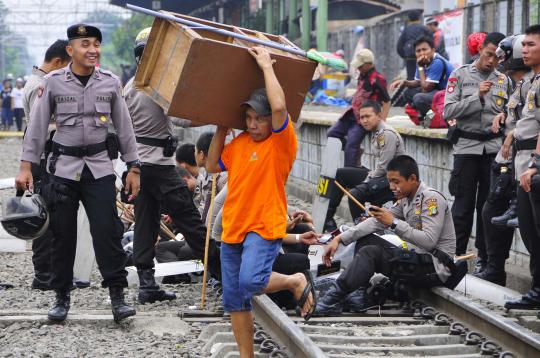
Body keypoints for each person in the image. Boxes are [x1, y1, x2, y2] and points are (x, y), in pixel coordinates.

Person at [15, 24, 138, 323]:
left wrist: (134, 167)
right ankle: (61, 296)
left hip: (99, 168)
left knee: (107, 232)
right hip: (63, 170)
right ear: (70, 50)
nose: (92, 49)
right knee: (62, 234)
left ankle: (117, 296)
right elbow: (37, 126)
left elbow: (125, 127)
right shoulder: (54, 82)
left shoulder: (110, 82)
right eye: (85, 44)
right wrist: (25, 165)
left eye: (96, 43)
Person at [206, 46, 315, 357]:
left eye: (259, 119)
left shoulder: (281, 142)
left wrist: (267, 66)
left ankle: (295, 281)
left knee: (251, 281)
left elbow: (280, 108)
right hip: (233, 228)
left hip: (264, 225)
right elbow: (212, 165)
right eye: (249, 118)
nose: (253, 124)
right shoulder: (239, 143)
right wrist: (221, 128)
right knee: (235, 299)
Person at [124, 36, 221, 304]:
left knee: (145, 223)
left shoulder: (130, 86)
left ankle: (147, 285)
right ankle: (223, 271)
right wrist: (216, 113)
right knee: (190, 221)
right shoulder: (157, 86)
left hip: (139, 168)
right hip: (160, 167)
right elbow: (182, 118)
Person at [316, 155, 457, 315]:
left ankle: (331, 300)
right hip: (417, 260)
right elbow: (377, 222)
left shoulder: (431, 199)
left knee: (371, 253)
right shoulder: (406, 199)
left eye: (396, 181)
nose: (391, 186)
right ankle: (359, 295)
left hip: (434, 267)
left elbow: (429, 241)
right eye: (390, 181)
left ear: (412, 178)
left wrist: (394, 223)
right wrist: (340, 238)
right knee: (365, 239)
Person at [443, 32, 510, 274]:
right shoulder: (460, 75)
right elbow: (448, 111)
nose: (491, 61)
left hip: (493, 150)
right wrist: (476, 97)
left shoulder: (504, 80)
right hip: (467, 148)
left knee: (487, 207)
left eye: (497, 57)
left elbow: (511, 116)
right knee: (462, 206)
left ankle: (484, 259)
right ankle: (456, 256)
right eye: (488, 54)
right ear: (480, 49)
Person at [477, 35, 532, 286]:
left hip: (522, 159)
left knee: (523, 220)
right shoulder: (521, 84)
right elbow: (517, 112)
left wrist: (511, 132)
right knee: (492, 211)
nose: (500, 61)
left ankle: (497, 269)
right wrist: (503, 116)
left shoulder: (531, 84)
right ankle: (493, 267)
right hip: (508, 158)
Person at [22, 39, 71, 291]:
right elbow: (38, 127)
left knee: (51, 213)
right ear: (58, 62)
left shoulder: (36, 81)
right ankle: (43, 274)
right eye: (66, 68)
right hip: (42, 158)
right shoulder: (41, 85)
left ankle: (49, 271)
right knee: (45, 215)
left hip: (44, 157)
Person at [504, 25, 540, 310]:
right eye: (523, 44)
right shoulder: (533, 80)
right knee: (529, 232)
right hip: (523, 163)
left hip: (534, 166)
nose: (523, 50)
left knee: (536, 232)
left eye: (530, 44)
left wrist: (536, 164)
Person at [326, 101, 404, 230]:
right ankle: (328, 221)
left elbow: (385, 167)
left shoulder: (386, 134)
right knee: (340, 174)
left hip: (392, 179)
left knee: (354, 194)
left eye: (368, 116)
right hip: (381, 175)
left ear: (379, 116)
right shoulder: (377, 132)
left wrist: (366, 181)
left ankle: (362, 229)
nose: (364, 121)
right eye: (362, 117)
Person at [327, 48, 391, 167]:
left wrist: (382, 121)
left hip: (363, 119)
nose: (358, 68)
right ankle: (355, 151)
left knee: (351, 146)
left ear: (369, 64)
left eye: (361, 66)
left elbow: (386, 101)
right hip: (352, 113)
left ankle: (349, 177)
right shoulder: (362, 75)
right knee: (331, 133)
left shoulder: (378, 79)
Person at [390, 36, 454, 121]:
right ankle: (426, 116)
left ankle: (434, 118)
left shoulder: (437, 62)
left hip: (448, 95)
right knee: (408, 93)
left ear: (433, 50)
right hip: (436, 92)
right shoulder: (421, 61)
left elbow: (426, 88)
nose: (421, 53)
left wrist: (420, 67)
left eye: (424, 49)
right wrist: (404, 82)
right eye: (418, 51)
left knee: (419, 98)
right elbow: (418, 82)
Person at [195, 131, 228, 220]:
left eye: (195, 151)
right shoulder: (203, 176)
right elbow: (202, 205)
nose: (194, 154)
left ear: (201, 155)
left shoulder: (223, 178)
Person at [396, 10, 433, 80]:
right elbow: (432, 43)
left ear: (409, 19)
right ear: (419, 18)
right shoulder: (424, 29)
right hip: (423, 57)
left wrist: (406, 56)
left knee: (411, 78)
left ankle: (413, 90)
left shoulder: (406, 30)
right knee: (424, 77)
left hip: (410, 58)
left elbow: (399, 47)